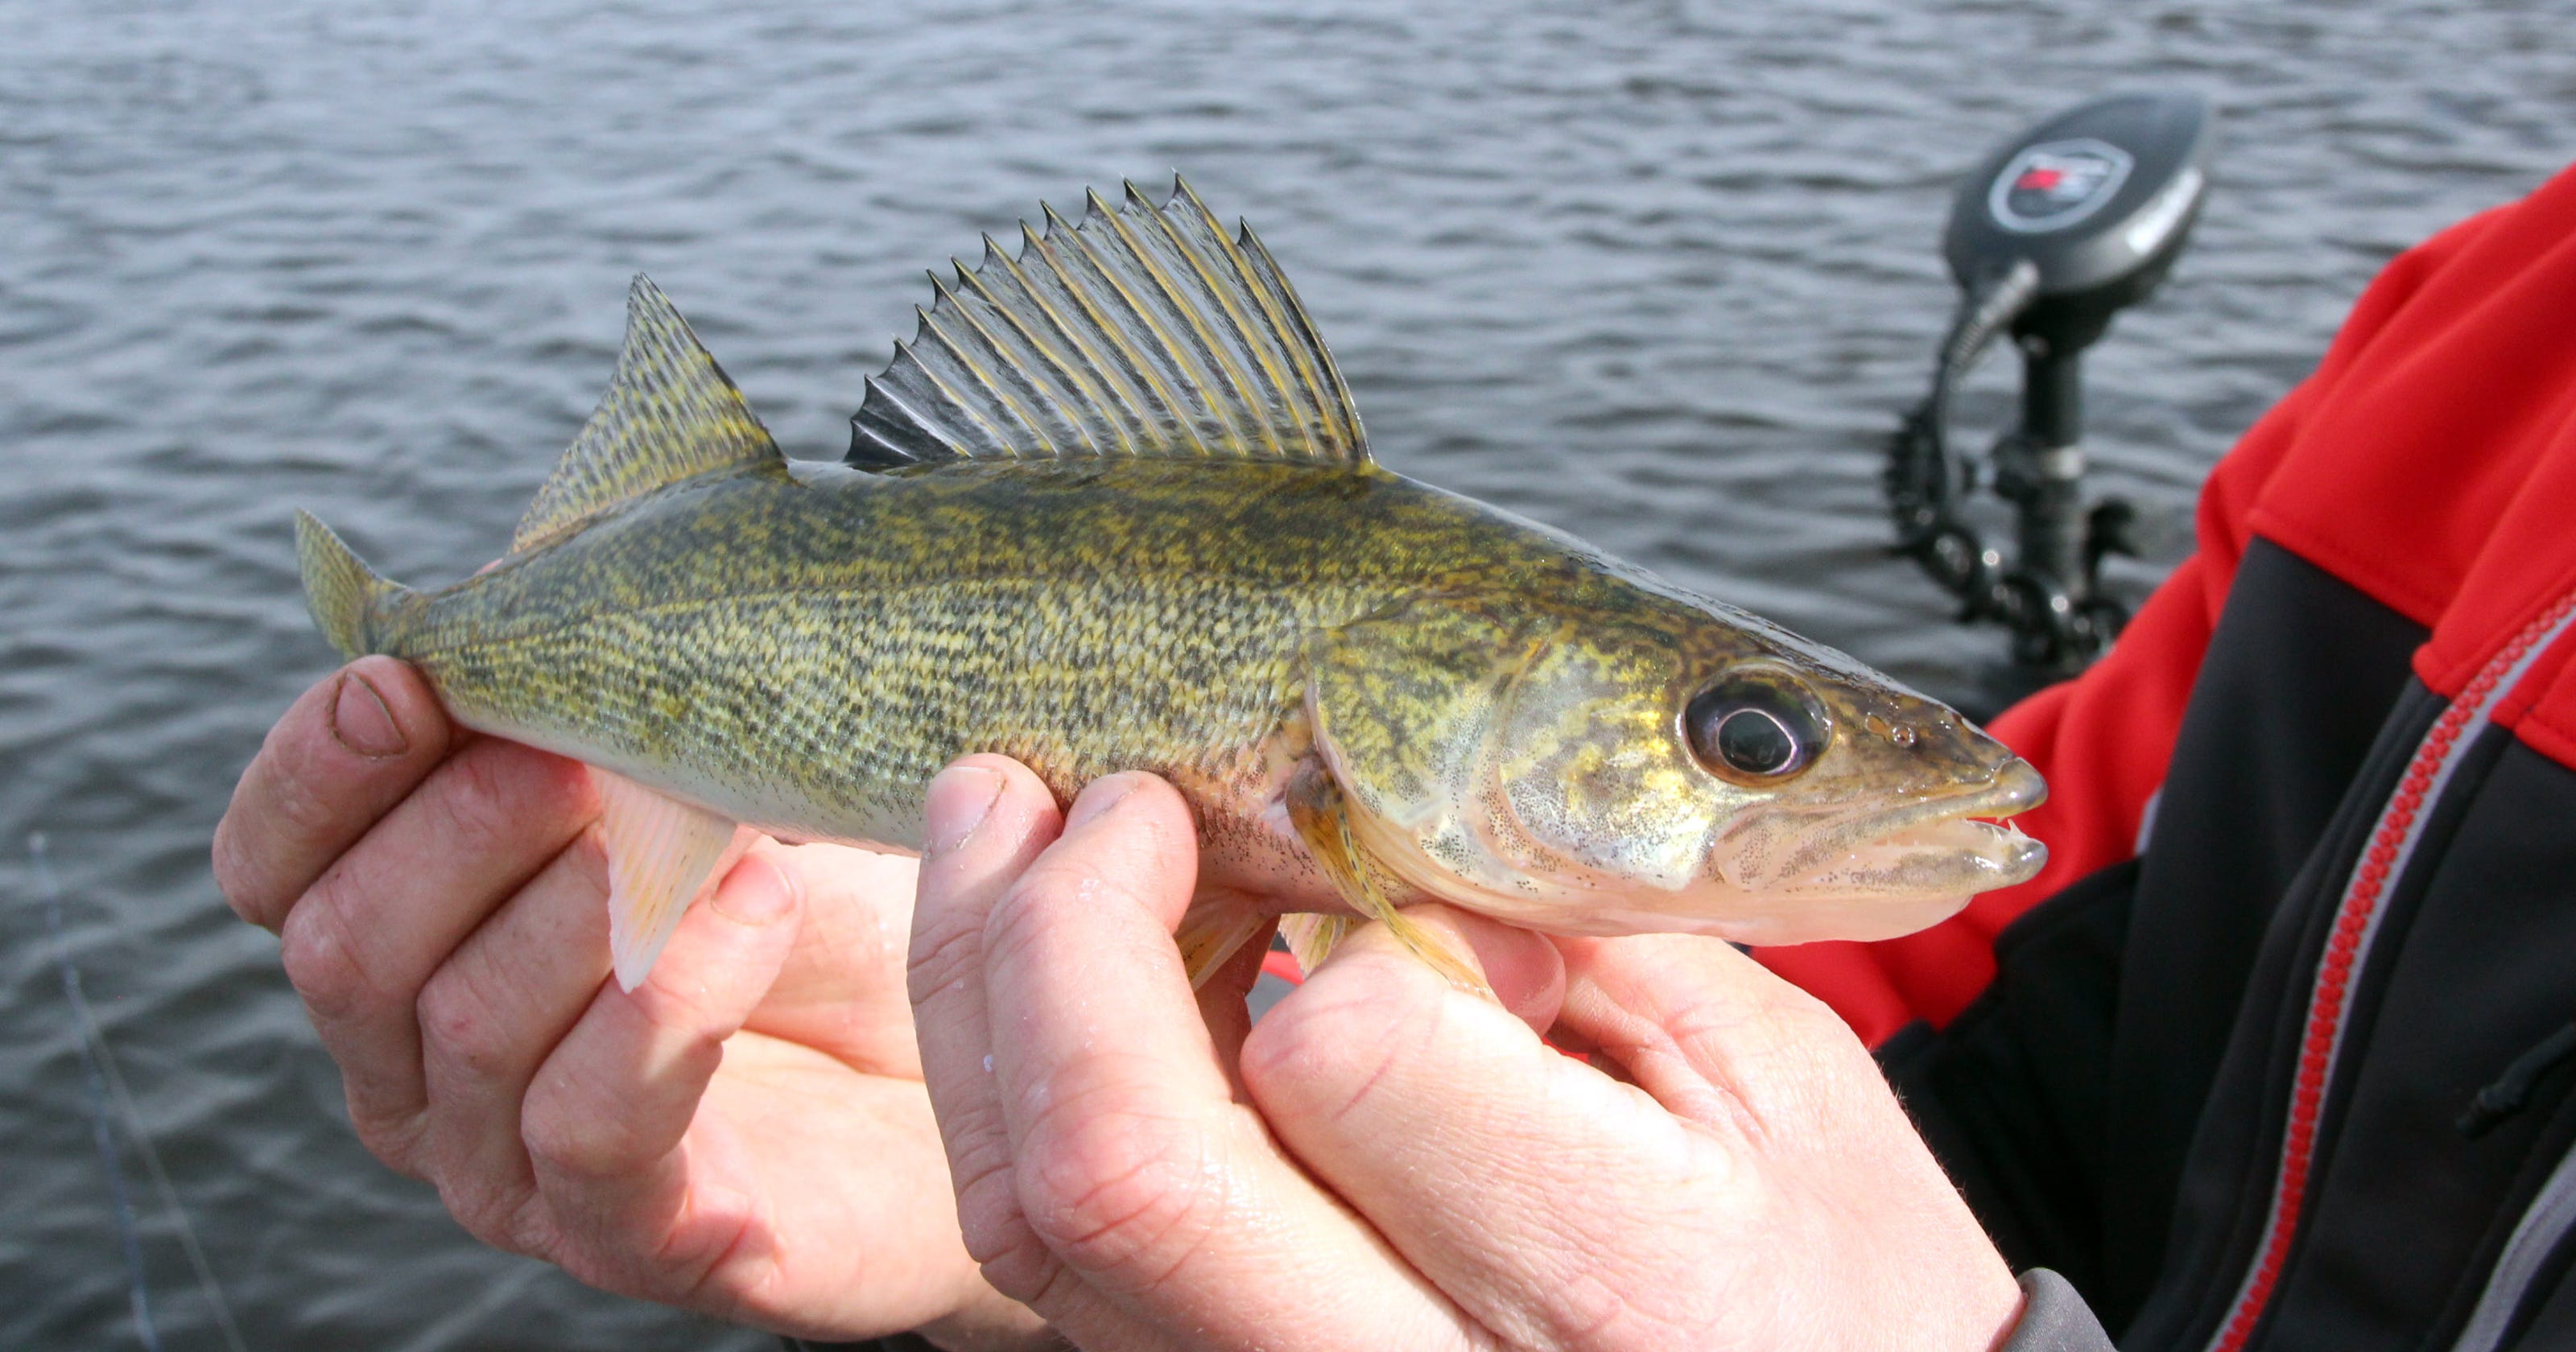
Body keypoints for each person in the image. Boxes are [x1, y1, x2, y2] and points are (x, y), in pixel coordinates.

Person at [214, 161, 2576, 1351]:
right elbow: (1979, 1047)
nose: (1828, 790)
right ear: (1412, 700)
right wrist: (1031, 1230)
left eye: (1738, 737)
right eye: (1746, 737)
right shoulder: (2476, 365)